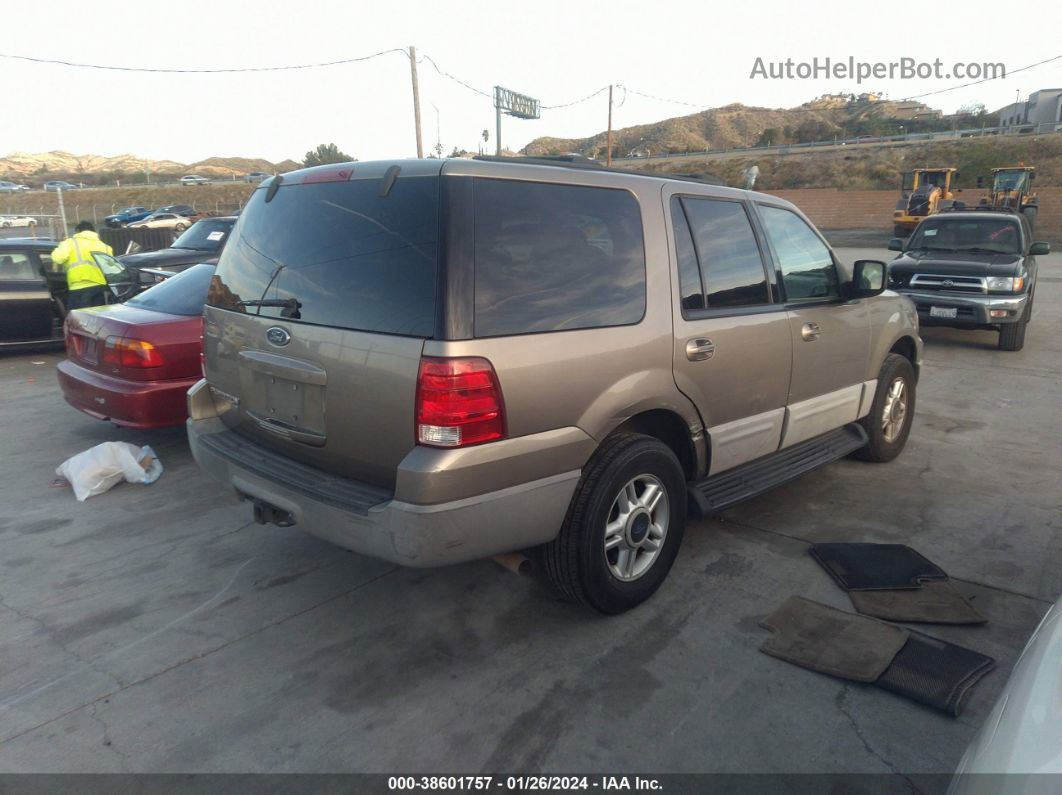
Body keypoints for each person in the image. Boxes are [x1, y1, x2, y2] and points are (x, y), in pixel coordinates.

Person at [51, 221, 114, 310]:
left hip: (79, 288)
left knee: (79, 319)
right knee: (97, 319)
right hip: (100, 288)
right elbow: (111, 268)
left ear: (77, 231)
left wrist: (61, 245)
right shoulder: (105, 247)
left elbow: (57, 258)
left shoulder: (70, 243)